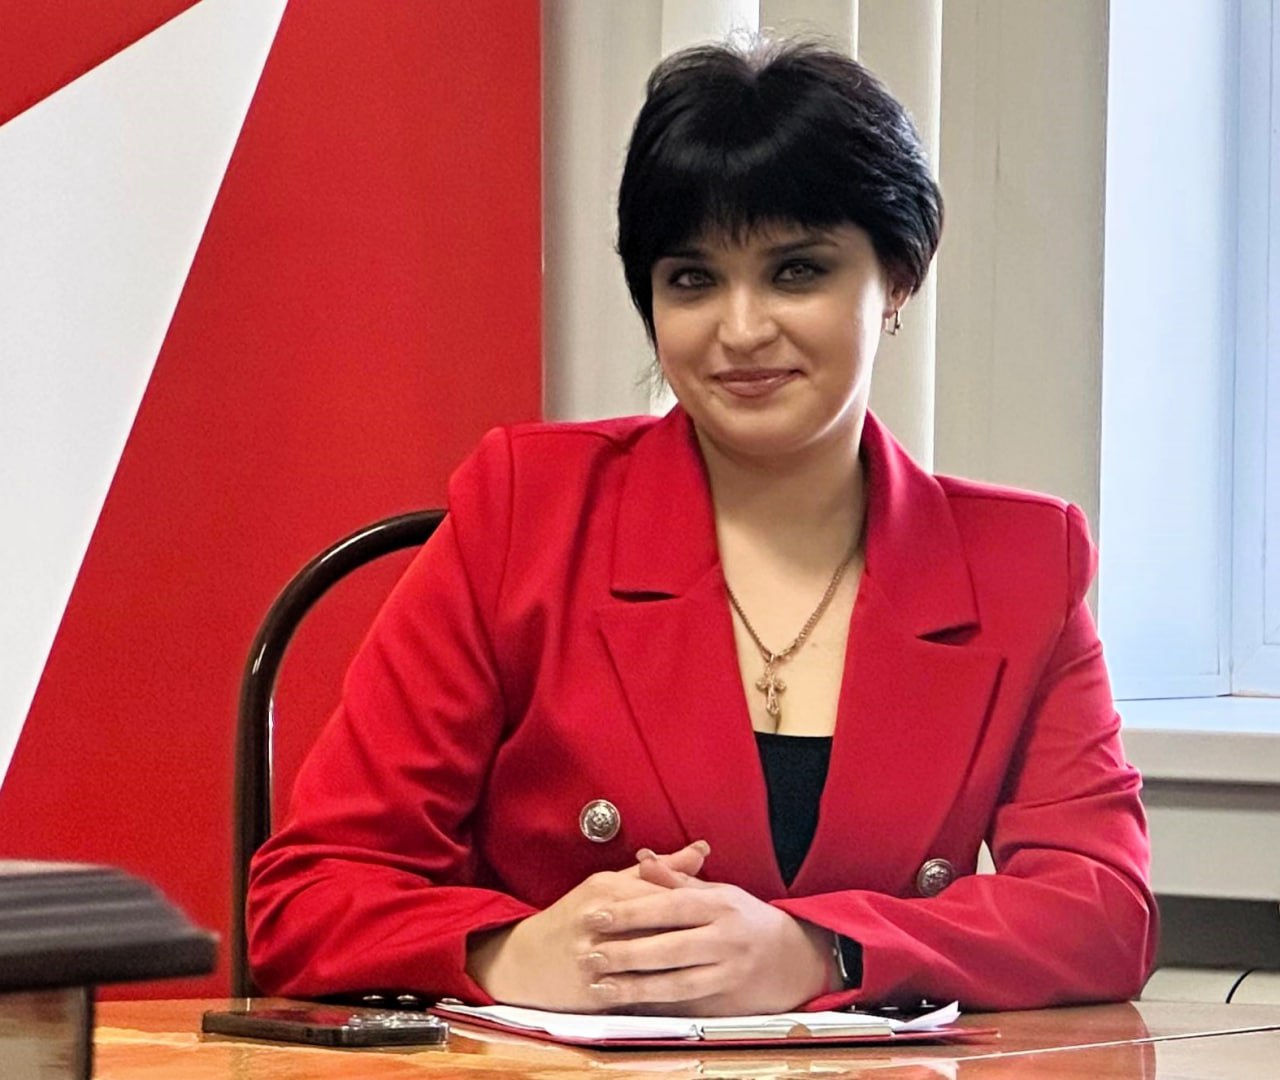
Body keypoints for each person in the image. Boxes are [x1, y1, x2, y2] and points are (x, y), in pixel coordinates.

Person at [247, 38, 1157, 1015]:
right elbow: (309, 896)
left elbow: (1102, 909)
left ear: (896, 278)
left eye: (795, 271)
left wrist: (823, 953)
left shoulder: (1023, 563)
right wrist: (512, 951)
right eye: (692, 280)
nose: (740, 329)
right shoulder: (524, 511)